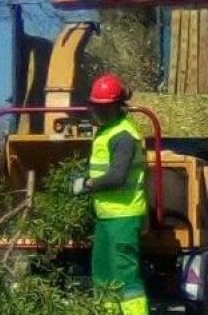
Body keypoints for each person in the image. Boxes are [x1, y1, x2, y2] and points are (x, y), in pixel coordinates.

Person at [71, 73, 149, 315]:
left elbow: (117, 177)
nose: (97, 111)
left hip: (123, 218)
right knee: (104, 278)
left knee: (126, 282)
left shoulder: (123, 135)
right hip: (107, 218)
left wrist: (86, 184)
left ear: (117, 106)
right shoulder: (107, 131)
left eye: (103, 107)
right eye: (96, 106)